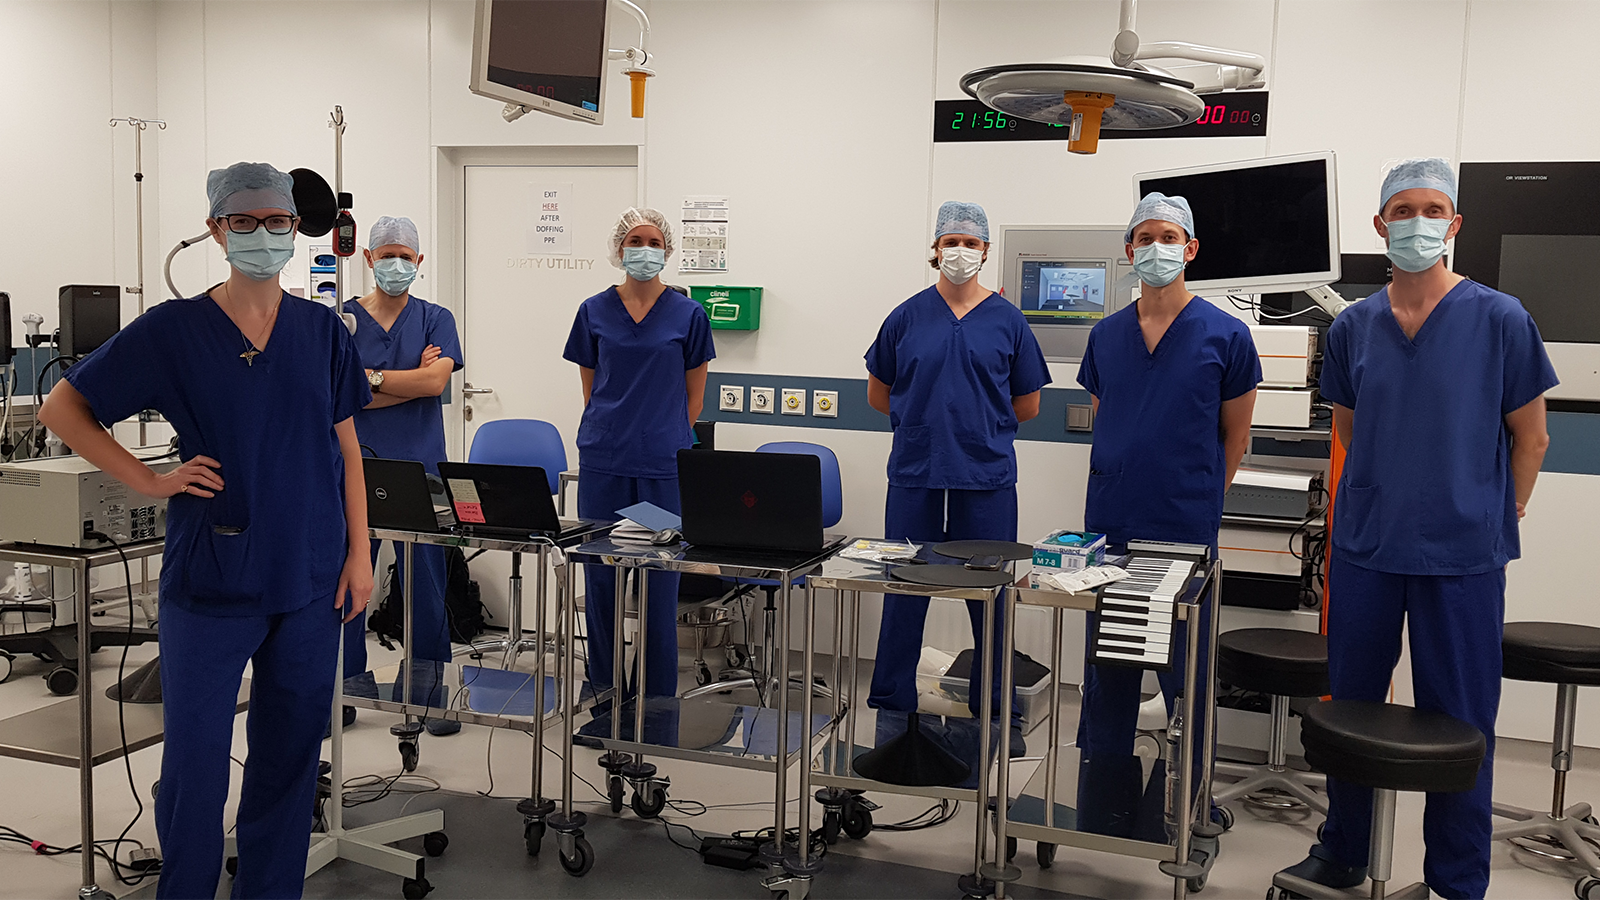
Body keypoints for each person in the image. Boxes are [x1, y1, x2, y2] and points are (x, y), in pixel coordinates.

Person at [37, 162, 372, 900]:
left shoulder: (322, 330)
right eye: (245, 222)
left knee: (288, 759)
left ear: (294, 228)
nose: (263, 235)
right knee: (193, 766)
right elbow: (61, 410)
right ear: (218, 229)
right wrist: (149, 480)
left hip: (311, 574)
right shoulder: (173, 329)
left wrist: (361, 556)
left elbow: (347, 448)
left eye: (277, 222)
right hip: (213, 574)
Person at [1278, 159, 1556, 900]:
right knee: (1353, 707)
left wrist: (1503, 509)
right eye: (1402, 209)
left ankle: (1457, 880)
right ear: (1379, 226)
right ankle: (1342, 848)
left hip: (1464, 553)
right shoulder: (1355, 326)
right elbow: (1349, 430)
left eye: (1433, 208)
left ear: (1455, 225)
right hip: (1368, 545)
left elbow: (1531, 438)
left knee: (1461, 721)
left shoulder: (1502, 318)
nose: (1418, 221)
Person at [1075, 193, 1260, 840]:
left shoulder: (1226, 336)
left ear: (1191, 249)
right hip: (1114, 526)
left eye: (1169, 236)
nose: (1156, 247)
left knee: (1186, 673)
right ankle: (1103, 799)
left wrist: (1202, 492)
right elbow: (1110, 414)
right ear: (1129, 250)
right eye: (1144, 236)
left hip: (1183, 529)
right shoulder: (1106, 336)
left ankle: (1195, 797)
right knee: (1113, 671)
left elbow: (1235, 434)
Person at [864, 200, 1050, 760]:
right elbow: (878, 393)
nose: (961, 252)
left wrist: (976, 429)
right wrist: (927, 425)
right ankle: (894, 706)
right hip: (917, 473)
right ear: (935, 249)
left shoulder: (1008, 320)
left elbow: (1029, 403)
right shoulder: (906, 316)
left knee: (988, 597)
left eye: (971, 244)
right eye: (952, 242)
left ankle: (996, 710)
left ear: (986, 252)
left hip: (984, 477)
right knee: (905, 592)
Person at [564, 207, 715, 715]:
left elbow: (695, 395)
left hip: (662, 469)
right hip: (605, 464)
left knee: (658, 578)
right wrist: (613, 428)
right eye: (635, 240)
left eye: (654, 241)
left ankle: (654, 701)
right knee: (601, 578)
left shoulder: (688, 315)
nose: (644, 248)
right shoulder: (593, 311)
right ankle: (604, 693)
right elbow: (592, 388)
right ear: (619, 247)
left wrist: (665, 434)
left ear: (667, 251)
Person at [341, 215, 463, 736]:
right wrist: (404, 381)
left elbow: (435, 384)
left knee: (427, 582)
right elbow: (341, 391)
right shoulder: (340, 320)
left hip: (421, 468)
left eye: (405, 256)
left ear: (419, 262)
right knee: (345, 580)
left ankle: (431, 694)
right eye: (385, 254)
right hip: (353, 466)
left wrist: (368, 380)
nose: (396, 264)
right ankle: (339, 691)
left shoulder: (436, 317)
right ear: (367, 259)